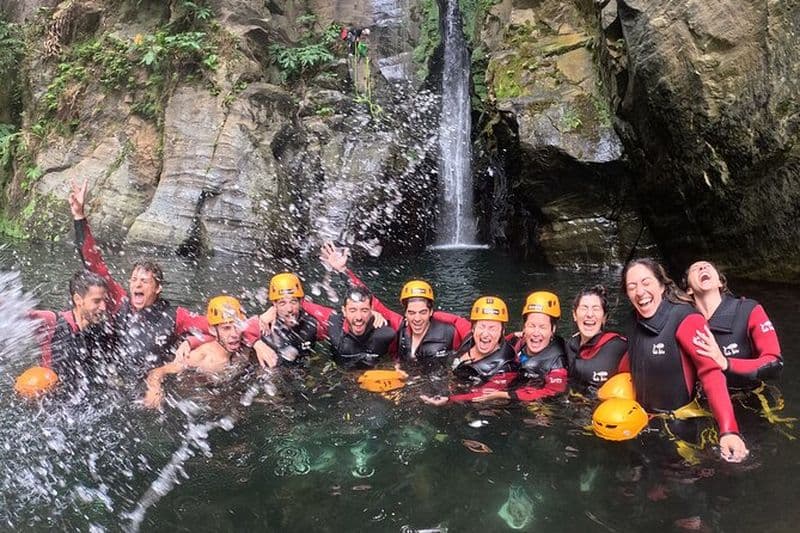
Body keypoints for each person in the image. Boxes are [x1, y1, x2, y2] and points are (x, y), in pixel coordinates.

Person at [69, 178, 208, 377]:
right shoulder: (119, 301)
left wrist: (190, 342)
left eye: (144, 281)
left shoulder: (176, 316)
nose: (137, 285)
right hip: (113, 377)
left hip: (150, 379)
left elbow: (217, 327)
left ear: (158, 288)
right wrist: (79, 216)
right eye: (134, 280)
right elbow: (94, 263)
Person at [621, 258, 748, 462]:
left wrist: (729, 431)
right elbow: (634, 359)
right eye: (632, 287)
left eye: (646, 283)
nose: (640, 291)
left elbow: (711, 374)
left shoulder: (686, 318)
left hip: (682, 431)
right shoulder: (631, 321)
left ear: (661, 285)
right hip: (642, 425)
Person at [318, 242, 462, 367]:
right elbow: (368, 299)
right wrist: (343, 271)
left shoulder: (449, 332)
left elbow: (472, 335)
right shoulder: (399, 327)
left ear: (431, 312)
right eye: (412, 312)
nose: (417, 319)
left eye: (423, 312)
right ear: (405, 313)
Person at [682, 260, 782, 390]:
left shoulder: (748, 310)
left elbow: (775, 364)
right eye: (695, 268)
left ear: (720, 282)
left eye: (707, 266)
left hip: (749, 394)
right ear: (689, 289)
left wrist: (725, 363)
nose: (702, 267)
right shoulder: (683, 323)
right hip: (703, 397)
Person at [143, 296, 252, 408]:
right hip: (194, 400)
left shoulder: (244, 348)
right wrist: (154, 390)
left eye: (237, 326)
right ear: (213, 330)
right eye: (226, 328)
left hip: (226, 392)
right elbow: (157, 372)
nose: (234, 334)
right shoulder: (201, 356)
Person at [465, 291, 569, 403]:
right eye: (531, 326)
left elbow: (553, 391)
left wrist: (504, 395)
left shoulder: (558, 364)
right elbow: (501, 342)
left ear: (553, 329)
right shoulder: (518, 341)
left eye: (542, 327)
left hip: (535, 403)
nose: (536, 333)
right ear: (524, 327)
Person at [420, 296, 518, 405]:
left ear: (502, 332)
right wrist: (428, 315)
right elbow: (456, 320)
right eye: (482, 327)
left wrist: (449, 400)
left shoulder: (506, 368)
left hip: (477, 404)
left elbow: (483, 395)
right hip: (451, 381)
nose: (485, 334)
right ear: (473, 328)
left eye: (492, 328)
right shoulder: (469, 336)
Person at [34, 270, 116, 387]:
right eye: (97, 301)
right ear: (78, 300)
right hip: (47, 392)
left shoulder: (101, 332)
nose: (103, 307)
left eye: (105, 301)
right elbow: (14, 312)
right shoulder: (52, 321)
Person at [300, 285, 396, 369]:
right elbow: (301, 304)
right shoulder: (333, 323)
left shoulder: (385, 334)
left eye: (364, 310)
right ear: (344, 311)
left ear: (371, 311)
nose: (358, 317)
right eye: (352, 310)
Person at [566, 285, 627, 395]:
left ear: (604, 317)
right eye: (584, 308)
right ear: (574, 315)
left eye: (596, 309)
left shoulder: (619, 347)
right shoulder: (568, 347)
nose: (589, 314)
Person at [253, 272, 320, 368]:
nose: (289, 309)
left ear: (301, 302)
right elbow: (240, 331)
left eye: (293, 301)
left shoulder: (312, 324)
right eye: (282, 303)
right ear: (274, 304)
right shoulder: (263, 327)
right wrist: (256, 343)